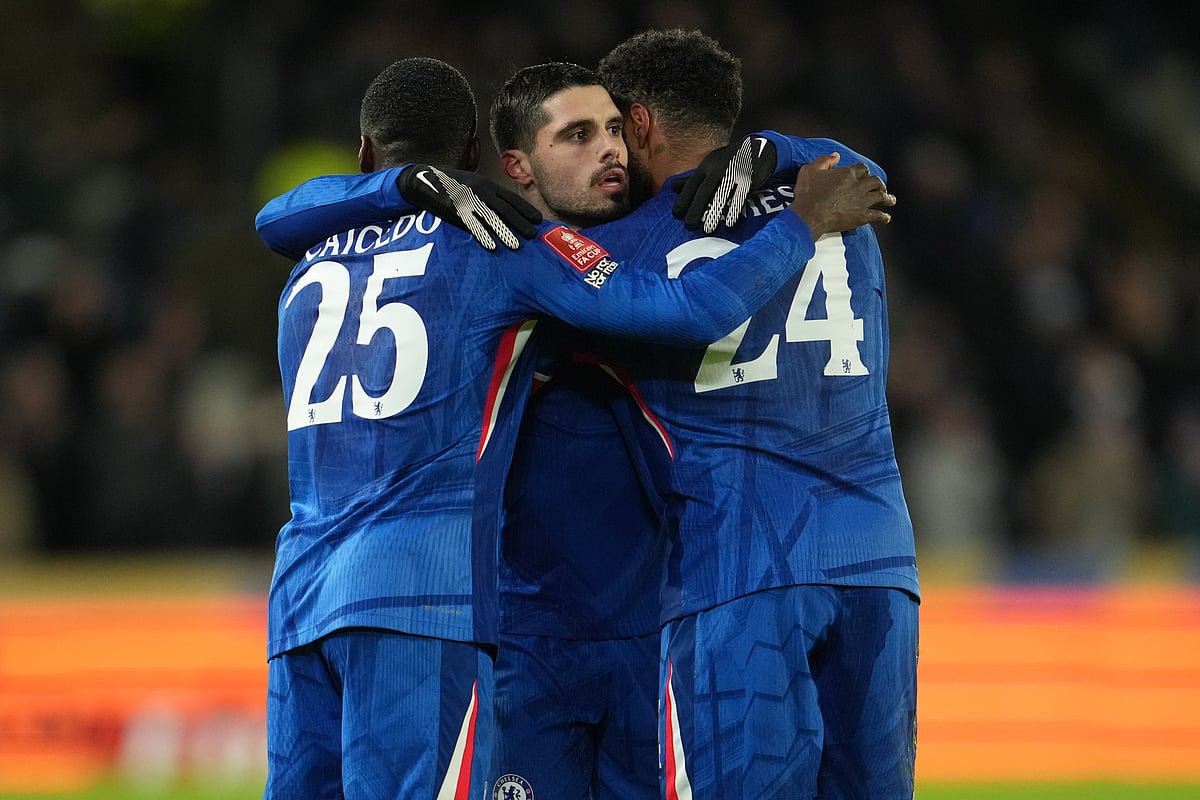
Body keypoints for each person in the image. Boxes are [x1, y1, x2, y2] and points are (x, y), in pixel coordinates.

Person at [258, 55, 894, 800]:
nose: (611, 151)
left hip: (312, 592)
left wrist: (772, 148)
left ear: (368, 154)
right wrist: (799, 221)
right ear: (494, 163)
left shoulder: (311, 259)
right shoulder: (515, 252)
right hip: (450, 606)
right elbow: (692, 310)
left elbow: (275, 217)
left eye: (616, 130)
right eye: (580, 135)